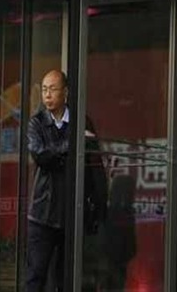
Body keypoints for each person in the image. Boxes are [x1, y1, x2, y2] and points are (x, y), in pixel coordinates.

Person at [26, 70, 106, 292]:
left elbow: (95, 167)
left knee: (67, 280)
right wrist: (72, 145)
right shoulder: (36, 123)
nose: (47, 94)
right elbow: (40, 155)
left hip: (72, 215)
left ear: (66, 92)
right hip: (43, 215)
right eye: (44, 89)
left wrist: (98, 207)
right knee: (36, 277)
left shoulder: (82, 122)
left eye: (52, 89)